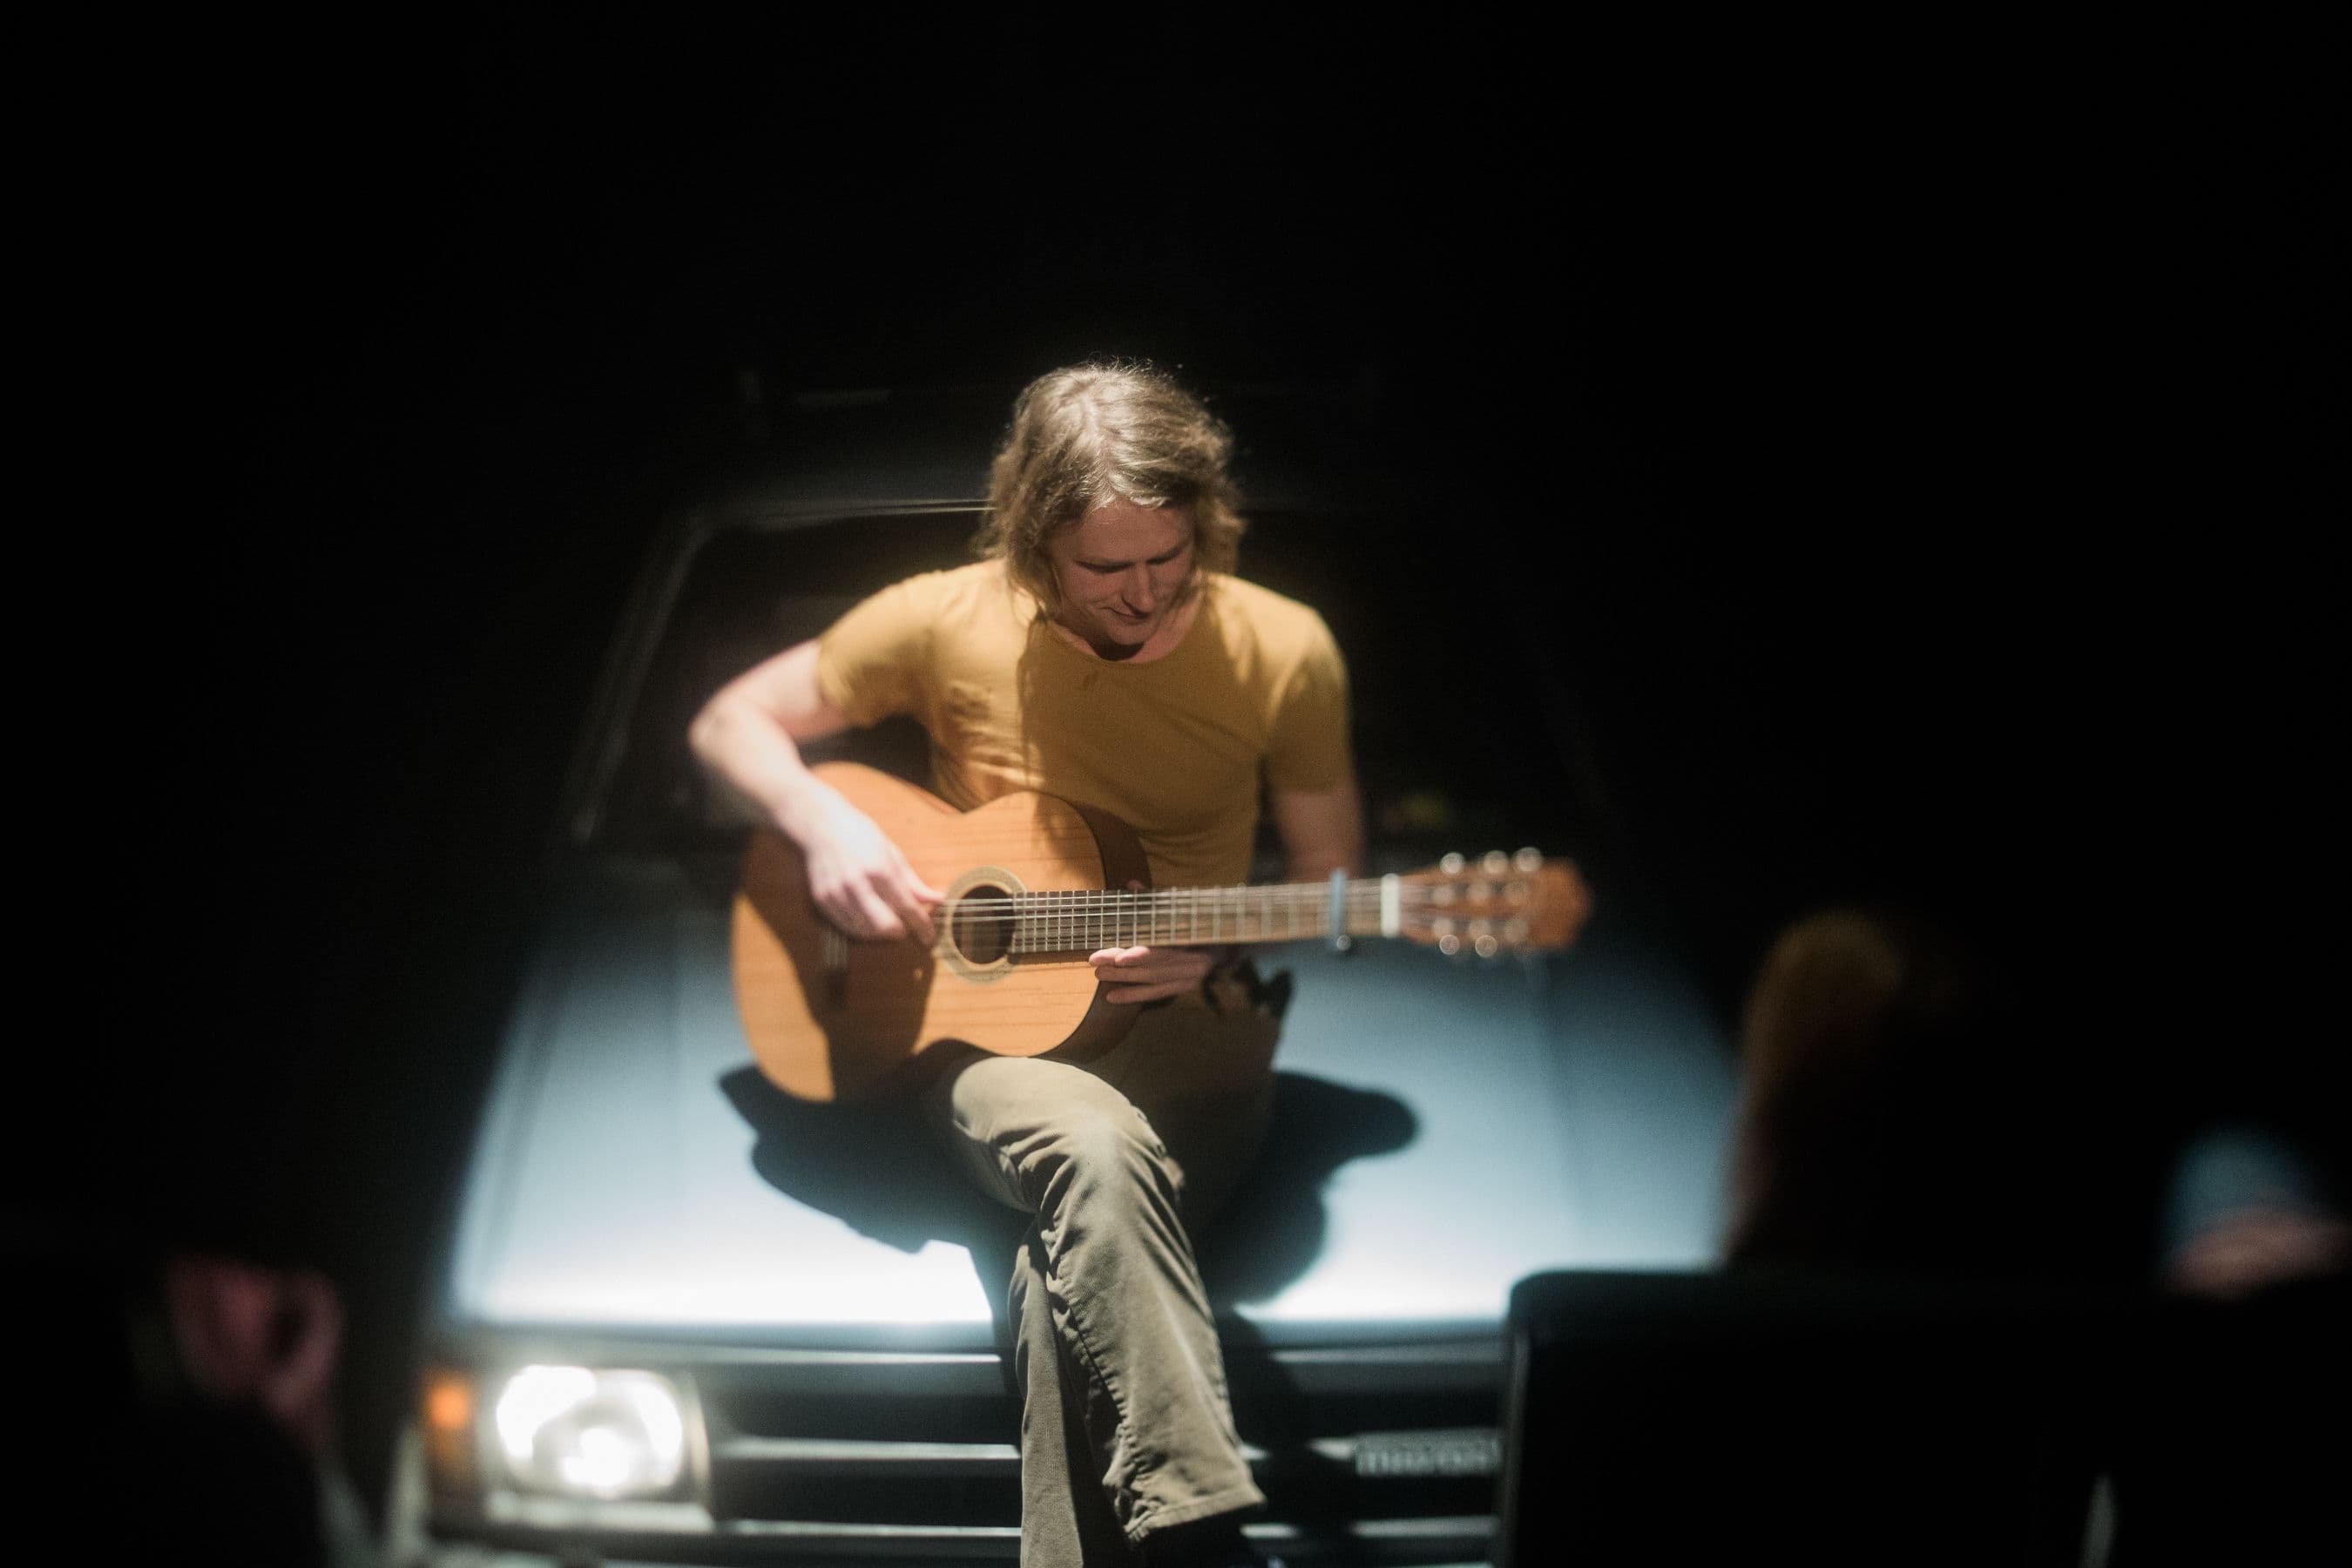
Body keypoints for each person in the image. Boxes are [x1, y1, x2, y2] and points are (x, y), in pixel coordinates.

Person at [689, 362, 1362, 1568]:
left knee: (1066, 1298)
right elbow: (727, 722)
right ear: (1033, 538)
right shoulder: (943, 620)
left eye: (1168, 556)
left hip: (1194, 1048)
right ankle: (1206, 1530)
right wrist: (823, 820)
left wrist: (1221, 939)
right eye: (1105, 567)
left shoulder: (1282, 648)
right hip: (991, 1047)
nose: (1144, 591)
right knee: (1091, 1149)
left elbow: (1331, 882)